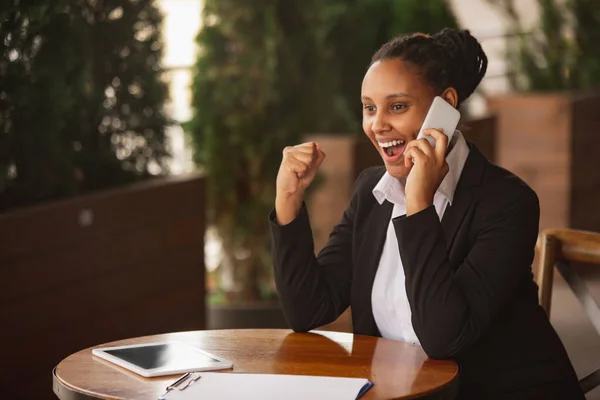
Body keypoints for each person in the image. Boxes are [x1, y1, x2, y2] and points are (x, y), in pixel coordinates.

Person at [269, 28, 584, 399]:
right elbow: (309, 309)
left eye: (397, 106)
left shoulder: (507, 203)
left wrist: (419, 204)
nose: (378, 125)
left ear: (445, 106)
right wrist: (288, 201)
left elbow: (443, 338)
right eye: (369, 108)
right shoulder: (372, 193)